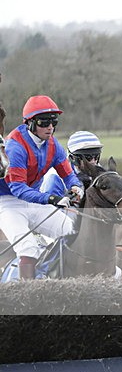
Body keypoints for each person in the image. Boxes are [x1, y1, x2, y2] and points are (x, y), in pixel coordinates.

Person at [0, 95, 84, 279]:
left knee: (71, 231)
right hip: (8, 203)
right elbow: (18, 189)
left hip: (33, 200)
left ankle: (56, 278)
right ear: (29, 123)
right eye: (44, 122)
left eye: (54, 121)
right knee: (28, 247)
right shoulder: (14, 146)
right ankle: (29, 296)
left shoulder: (53, 145)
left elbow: (69, 174)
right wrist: (51, 198)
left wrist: (76, 187)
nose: (50, 127)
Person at [40, 130, 104, 195]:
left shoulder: (101, 174)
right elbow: (52, 204)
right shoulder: (55, 178)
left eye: (96, 156)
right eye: (88, 158)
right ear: (73, 158)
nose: (93, 162)